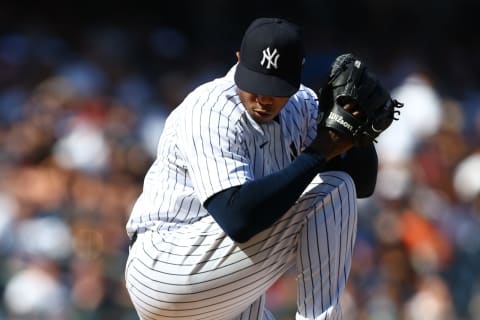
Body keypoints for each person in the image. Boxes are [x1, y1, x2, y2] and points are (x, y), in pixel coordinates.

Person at [125, 17, 378, 320]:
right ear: (238, 61)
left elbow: (363, 184)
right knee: (332, 188)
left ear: (297, 76)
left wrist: (359, 134)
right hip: (167, 267)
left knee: (340, 185)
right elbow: (238, 219)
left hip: (227, 288)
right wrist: (320, 151)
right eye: (255, 84)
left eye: (274, 88)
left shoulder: (304, 106)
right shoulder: (211, 109)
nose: (262, 99)